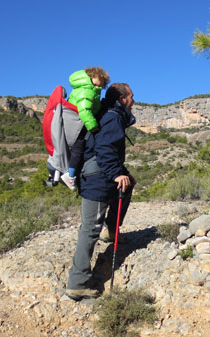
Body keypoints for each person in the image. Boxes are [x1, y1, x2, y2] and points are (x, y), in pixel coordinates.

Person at [65, 83, 136, 300]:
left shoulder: (106, 113)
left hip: (99, 172)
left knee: (128, 182)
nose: (134, 101)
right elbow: (104, 148)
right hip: (98, 176)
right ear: (123, 98)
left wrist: (119, 174)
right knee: (89, 228)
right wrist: (116, 173)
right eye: (131, 96)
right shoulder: (112, 117)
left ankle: (111, 230)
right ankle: (77, 283)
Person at [61, 66, 110, 190]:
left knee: (77, 150)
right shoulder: (87, 91)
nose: (103, 83)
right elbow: (84, 111)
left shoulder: (86, 89)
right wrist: (94, 127)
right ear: (93, 76)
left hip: (75, 124)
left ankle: (72, 173)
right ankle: (70, 176)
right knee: (78, 149)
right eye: (102, 79)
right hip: (79, 126)